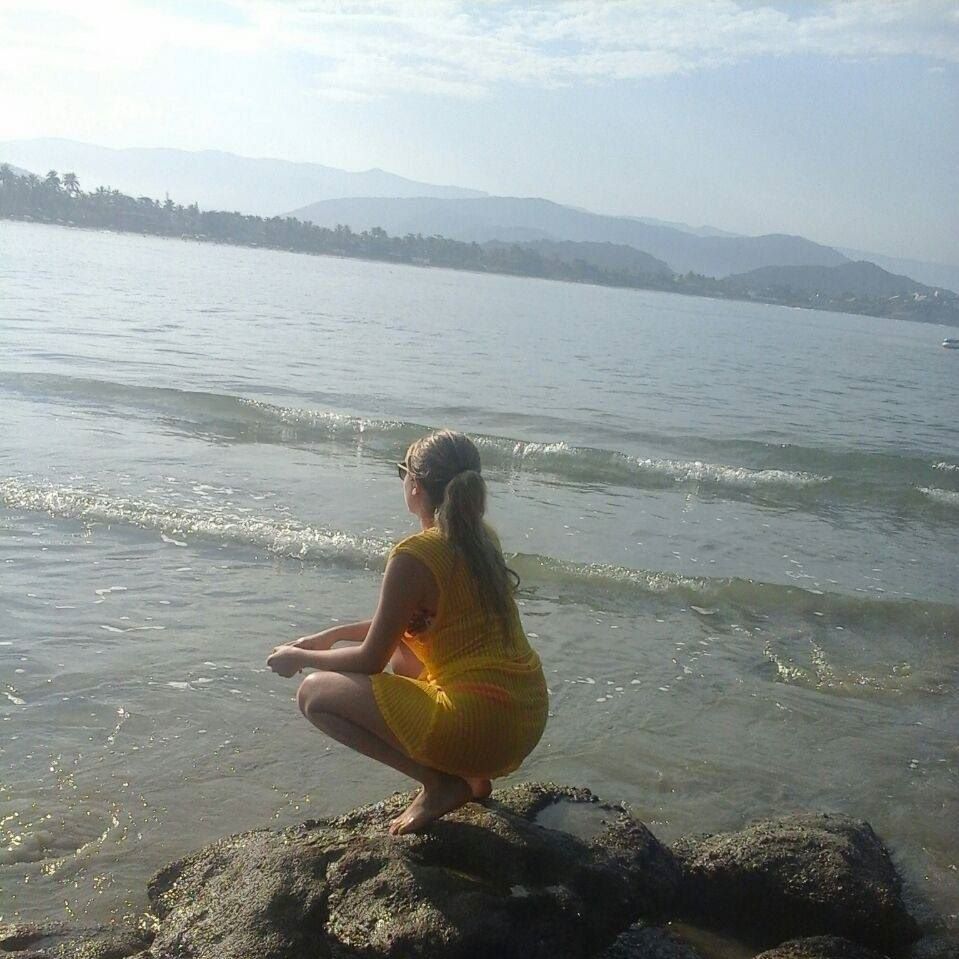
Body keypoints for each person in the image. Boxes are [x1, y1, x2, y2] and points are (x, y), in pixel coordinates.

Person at [267, 430, 548, 835]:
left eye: (403, 472)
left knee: (313, 694)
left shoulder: (414, 555)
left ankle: (440, 784)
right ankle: (473, 776)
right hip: (525, 717)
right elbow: (400, 628)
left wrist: (301, 657)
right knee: (404, 648)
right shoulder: (482, 539)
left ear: (415, 485)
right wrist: (330, 636)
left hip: (478, 725)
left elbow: (370, 660)